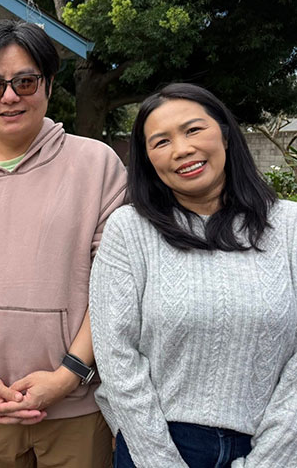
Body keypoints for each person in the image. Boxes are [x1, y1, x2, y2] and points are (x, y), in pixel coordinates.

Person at [0, 20, 127, 467]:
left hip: (76, 402)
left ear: (49, 84)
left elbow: (115, 284)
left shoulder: (97, 165)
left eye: (25, 82)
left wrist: (69, 374)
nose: (9, 96)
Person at [89, 83, 297, 467]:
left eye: (193, 130)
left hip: (274, 445)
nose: (181, 149)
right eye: (161, 141)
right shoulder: (129, 230)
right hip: (157, 442)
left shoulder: (289, 226)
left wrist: (271, 459)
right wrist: (159, 459)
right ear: (148, 159)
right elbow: (116, 358)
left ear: (226, 135)